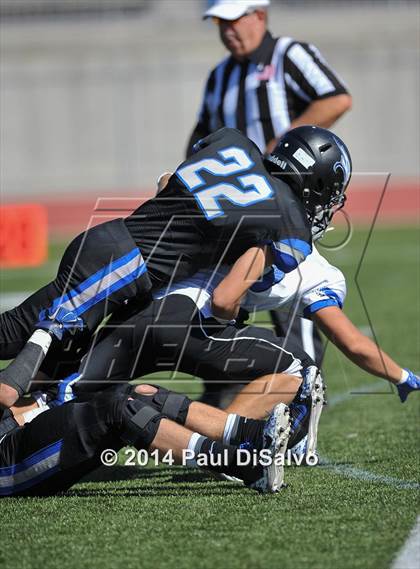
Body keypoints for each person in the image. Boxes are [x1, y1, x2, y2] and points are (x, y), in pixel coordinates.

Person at [187, 0, 353, 368]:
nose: (226, 31)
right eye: (220, 23)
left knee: (292, 296)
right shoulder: (220, 75)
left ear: (258, 15)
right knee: (227, 297)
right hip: (237, 209)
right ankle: (227, 398)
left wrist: (280, 148)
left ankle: (307, 384)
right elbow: (201, 135)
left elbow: (337, 98)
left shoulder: (288, 54)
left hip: (283, 204)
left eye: (233, 21)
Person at [0, 331, 293, 496]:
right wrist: (42, 334)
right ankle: (249, 468)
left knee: (142, 394)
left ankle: (252, 435)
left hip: (23, 425)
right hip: (6, 461)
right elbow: (7, 393)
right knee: (118, 410)